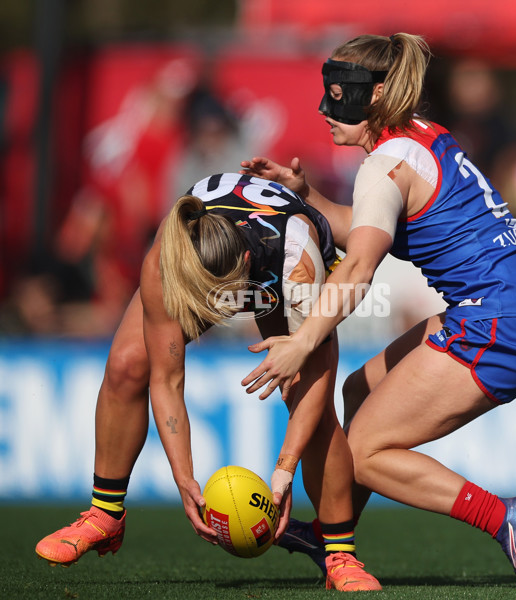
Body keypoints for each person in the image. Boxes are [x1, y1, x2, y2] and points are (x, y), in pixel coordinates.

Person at [239, 33, 516, 590]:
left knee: (365, 451)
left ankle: (505, 517)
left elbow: (360, 268)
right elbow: (372, 223)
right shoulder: (419, 135)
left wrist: (301, 342)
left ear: (378, 95)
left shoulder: (385, 164)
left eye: (340, 96)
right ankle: (330, 533)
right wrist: (307, 195)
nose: (325, 109)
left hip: (503, 317)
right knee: (356, 392)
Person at [35, 173, 380, 592]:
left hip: (280, 271)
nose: (210, 317)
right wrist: (185, 478)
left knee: (308, 402)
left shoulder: (297, 264)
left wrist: (284, 469)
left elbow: (319, 380)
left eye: (217, 299)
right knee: (128, 364)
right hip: (225, 261)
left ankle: (339, 552)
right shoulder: (168, 257)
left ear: (243, 274)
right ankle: (105, 514)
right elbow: (166, 381)